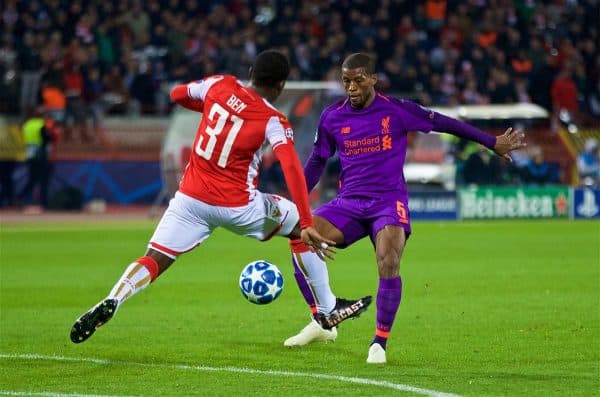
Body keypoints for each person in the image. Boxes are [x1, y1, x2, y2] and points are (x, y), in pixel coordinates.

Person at [69, 50, 367, 344]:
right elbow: (290, 166)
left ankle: (115, 297)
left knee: (155, 258)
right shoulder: (273, 119)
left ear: (250, 72)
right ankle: (328, 309)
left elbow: (176, 94)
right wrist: (305, 220)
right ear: (281, 86)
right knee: (298, 229)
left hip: (189, 200)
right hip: (239, 206)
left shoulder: (219, 85)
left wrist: (213, 107)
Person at [283, 53, 526, 364]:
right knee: (297, 234)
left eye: (358, 80)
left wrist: (490, 142)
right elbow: (318, 159)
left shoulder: (396, 109)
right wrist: (299, 201)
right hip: (350, 202)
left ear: (372, 78)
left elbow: (443, 122)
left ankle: (378, 344)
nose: (352, 87)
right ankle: (322, 319)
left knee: (388, 260)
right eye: (346, 81)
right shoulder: (332, 117)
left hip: (388, 201)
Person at [17, 109, 60, 211]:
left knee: (33, 179)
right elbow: (48, 140)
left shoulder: (27, 125)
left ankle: (22, 198)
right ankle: (43, 203)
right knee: (44, 180)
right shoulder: (43, 125)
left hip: (29, 154)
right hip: (41, 155)